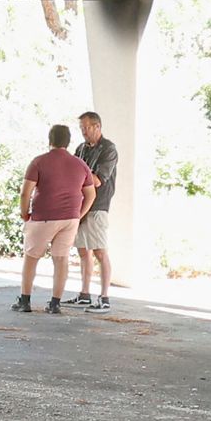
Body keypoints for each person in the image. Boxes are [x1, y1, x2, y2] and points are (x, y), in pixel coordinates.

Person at [15, 122, 95, 314]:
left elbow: (25, 193)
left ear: (49, 140)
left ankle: (25, 301)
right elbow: (91, 194)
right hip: (70, 219)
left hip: (44, 217)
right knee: (61, 259)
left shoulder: (39, 162)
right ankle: (55, 303)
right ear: (68, 142)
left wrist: (24, 212)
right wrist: (79, 215)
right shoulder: (80, 164)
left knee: (31, 257)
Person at [72, 110, 121, 310]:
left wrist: (77, 174)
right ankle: (84, 294)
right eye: (81, 128)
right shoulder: (81, 148)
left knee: (100, 252)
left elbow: (98, 180)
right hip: (81, 205)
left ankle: (104, 297)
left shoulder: (108, 149)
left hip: (98, 206)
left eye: (86, 127)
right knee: (83, 251)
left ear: (97, 126)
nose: (83, 131)